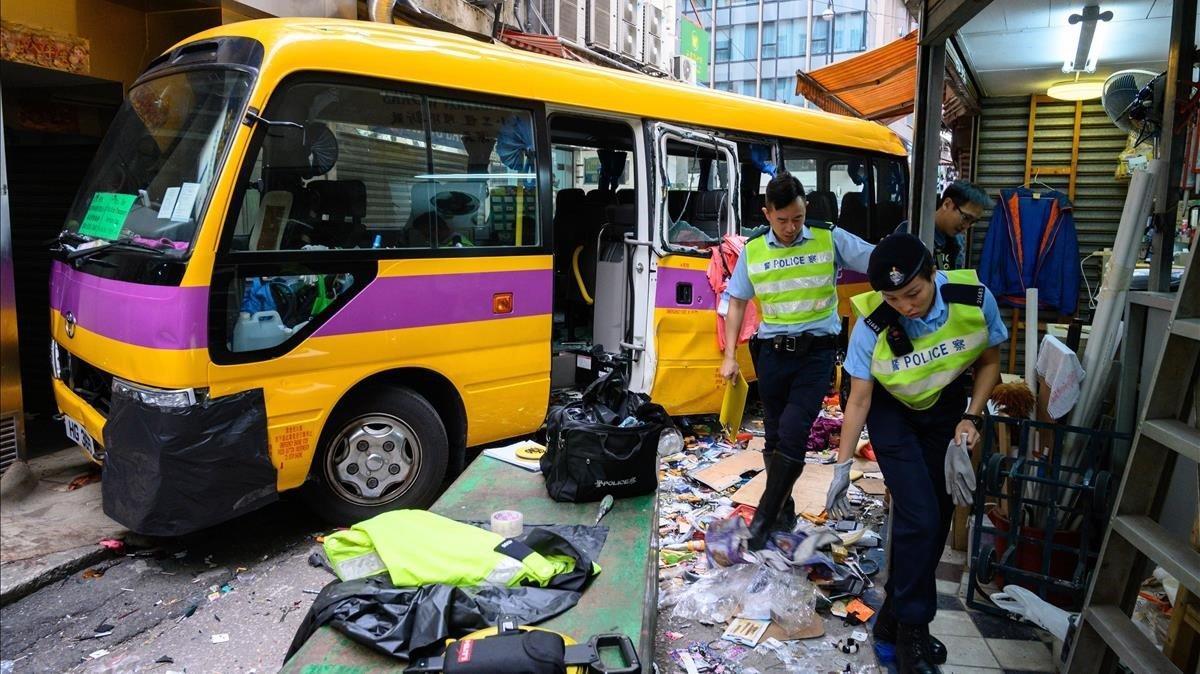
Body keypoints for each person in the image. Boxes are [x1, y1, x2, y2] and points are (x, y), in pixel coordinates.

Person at [825, 233, 1007, 674]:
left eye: (914, 293)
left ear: (933, 275)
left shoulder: (973, 299)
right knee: (919, 515)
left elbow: (988, 363)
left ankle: (891, 619)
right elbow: (860, 400)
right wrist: (843, 467)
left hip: (944, 409)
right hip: (891, 415)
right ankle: (912, 633)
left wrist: (973, 417)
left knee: (937, 516)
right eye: (893, 297)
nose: (905, 306)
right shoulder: (872, 323)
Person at [719, 172, 874, 549]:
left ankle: (761, 523)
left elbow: (875, 259)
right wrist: (730, 357)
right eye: (783, 219)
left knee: (793, 431)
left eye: (798, 218)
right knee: (773, 436)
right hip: (771, 355)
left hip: (815, 355)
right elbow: (737, 301)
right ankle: (784, 511)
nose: (791, 228)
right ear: (767, 213)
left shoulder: (828, 237)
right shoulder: (753, 249)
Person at [900, 180, 990, 270]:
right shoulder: (911, 231)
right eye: (965, 218)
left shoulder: (957, 241)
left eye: (972, 222)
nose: (966, 227)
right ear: (947, 204)